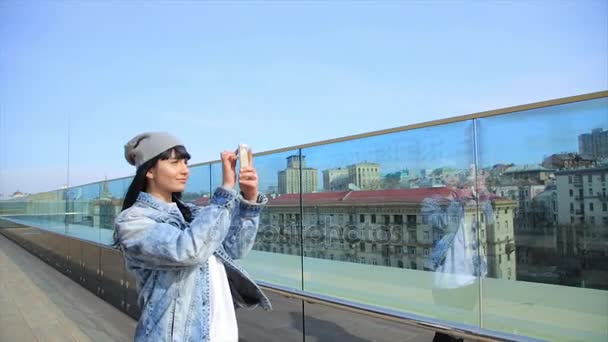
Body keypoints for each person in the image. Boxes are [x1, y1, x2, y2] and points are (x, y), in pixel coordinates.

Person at [113, 132, 271, 342]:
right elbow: (188, 250)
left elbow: (235, 249)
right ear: (149, 170)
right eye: (175, 162)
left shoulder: (193, 213)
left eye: (186, 163)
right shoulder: (133, 221)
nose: (184, 170)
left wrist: (249, 199)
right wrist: (226, 190)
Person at [422, 173, 493, 342]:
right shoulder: (430, 203)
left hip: (472, 276)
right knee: (445, 331)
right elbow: (445, 225)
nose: (457, 185)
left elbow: (490, 219)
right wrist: (457, 201)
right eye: (452, 181)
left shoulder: (470, 201)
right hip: (446, 279)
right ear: (442, 183)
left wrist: (484, 195)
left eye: (460, 182)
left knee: (462, 330)